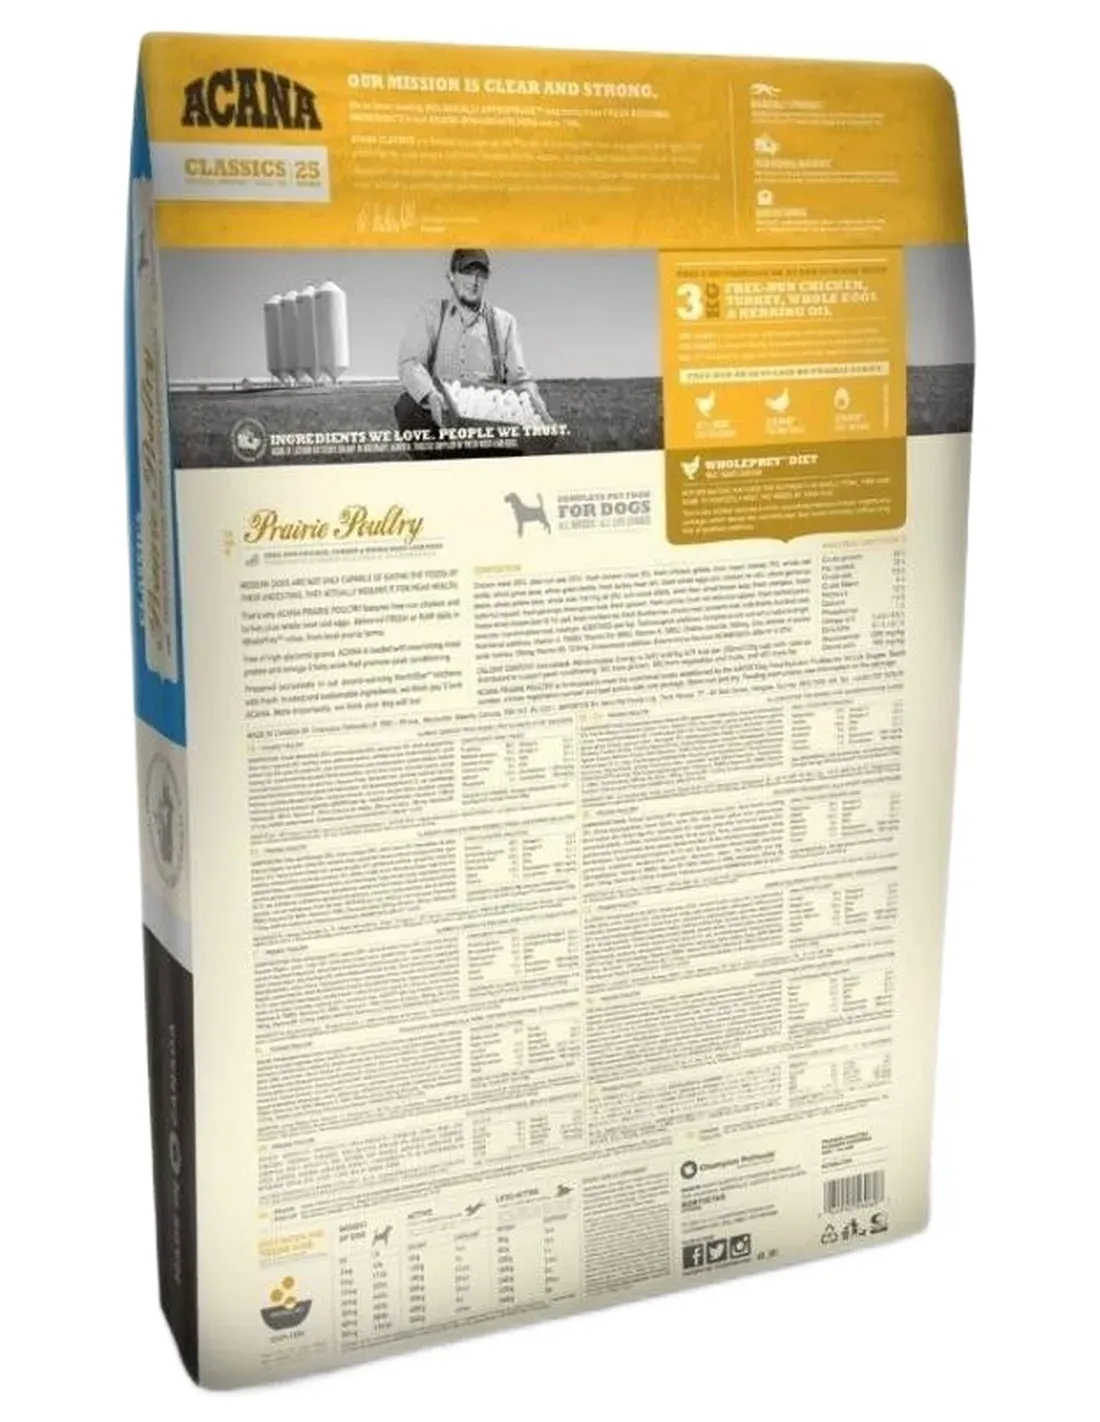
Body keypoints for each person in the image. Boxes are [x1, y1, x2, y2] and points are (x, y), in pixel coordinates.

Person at [395, 249, 550, 449]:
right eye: (467, 272)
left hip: (489, 421)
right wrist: (430, 395)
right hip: (441, 414)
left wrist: (538, 409)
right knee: (407, 406)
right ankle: (435, 463)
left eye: (480, 274)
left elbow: (519, 377)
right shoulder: (432, 313)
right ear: (451, 276)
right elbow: (410, 362)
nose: (474, 282)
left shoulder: (504, 322)